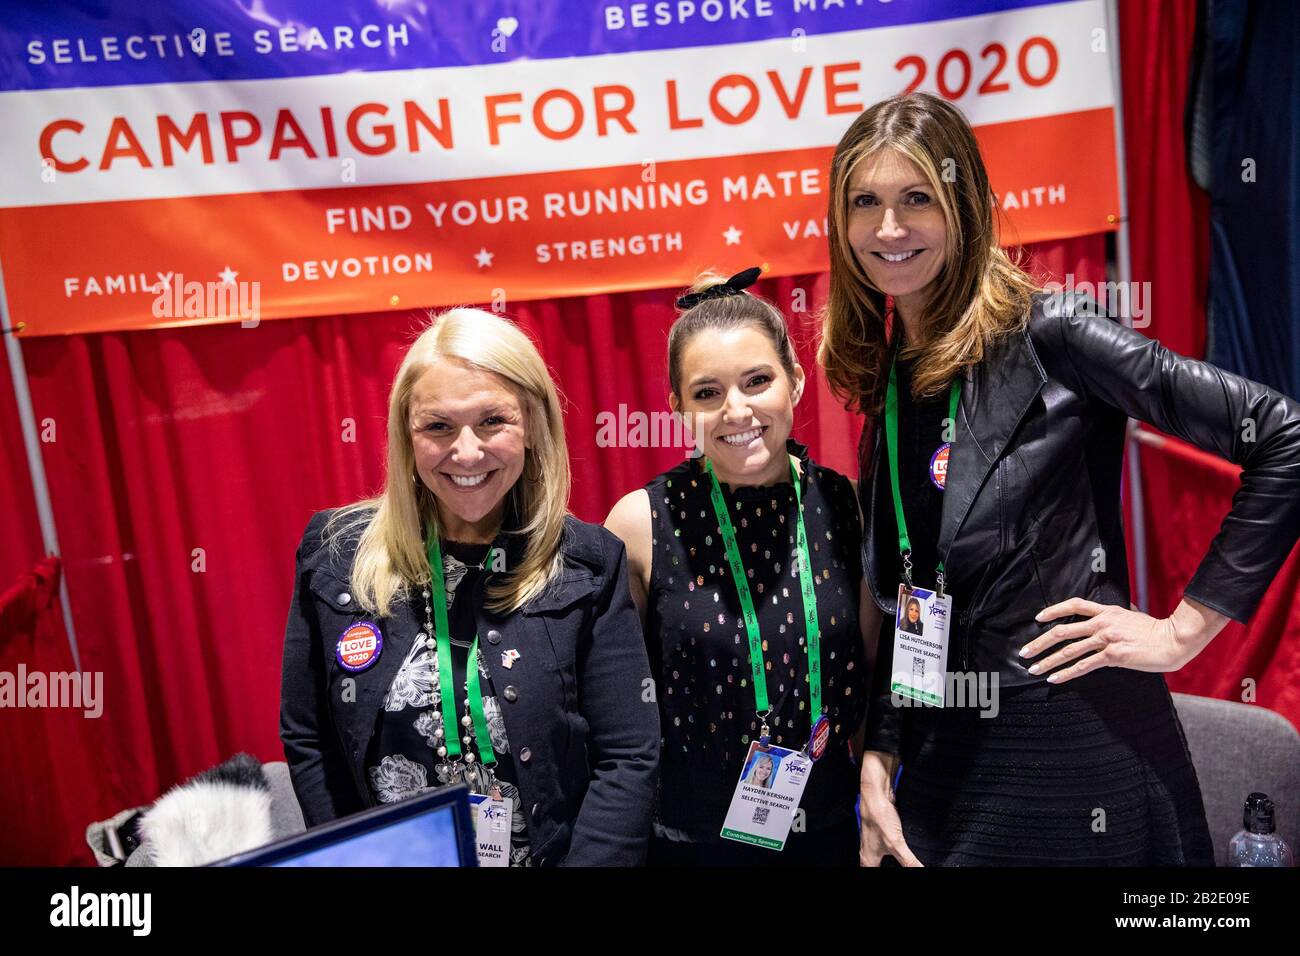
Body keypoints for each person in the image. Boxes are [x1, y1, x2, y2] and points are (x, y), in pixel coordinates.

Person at [819, 92, 1300, 866]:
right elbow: (917, 589)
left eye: (917, 200)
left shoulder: (1054, 333)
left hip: (1075, 748)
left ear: (965, 207)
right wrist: (879, 756)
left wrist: (1183, 632)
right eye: (865, 203)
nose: (888, 229)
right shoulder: (890, 371)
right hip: (945, 762)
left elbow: (1283, 436)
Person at [280, 307, 660, 866]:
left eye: (492, 421)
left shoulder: (589, 563)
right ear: (407, 438)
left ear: (532, 424)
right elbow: (310, 740)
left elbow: (628, 757)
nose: (466, 452)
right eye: (437, 426)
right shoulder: (335, 554)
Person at [605, 268, 872, 867]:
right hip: (689, 844)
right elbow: (616, 715)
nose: (737, 410)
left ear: (796, 381)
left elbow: (872, 681)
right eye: (707, 392)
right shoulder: (638, 524)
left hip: (829, 833)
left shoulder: (846, 505)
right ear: (677, 406)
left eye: (757, 381)